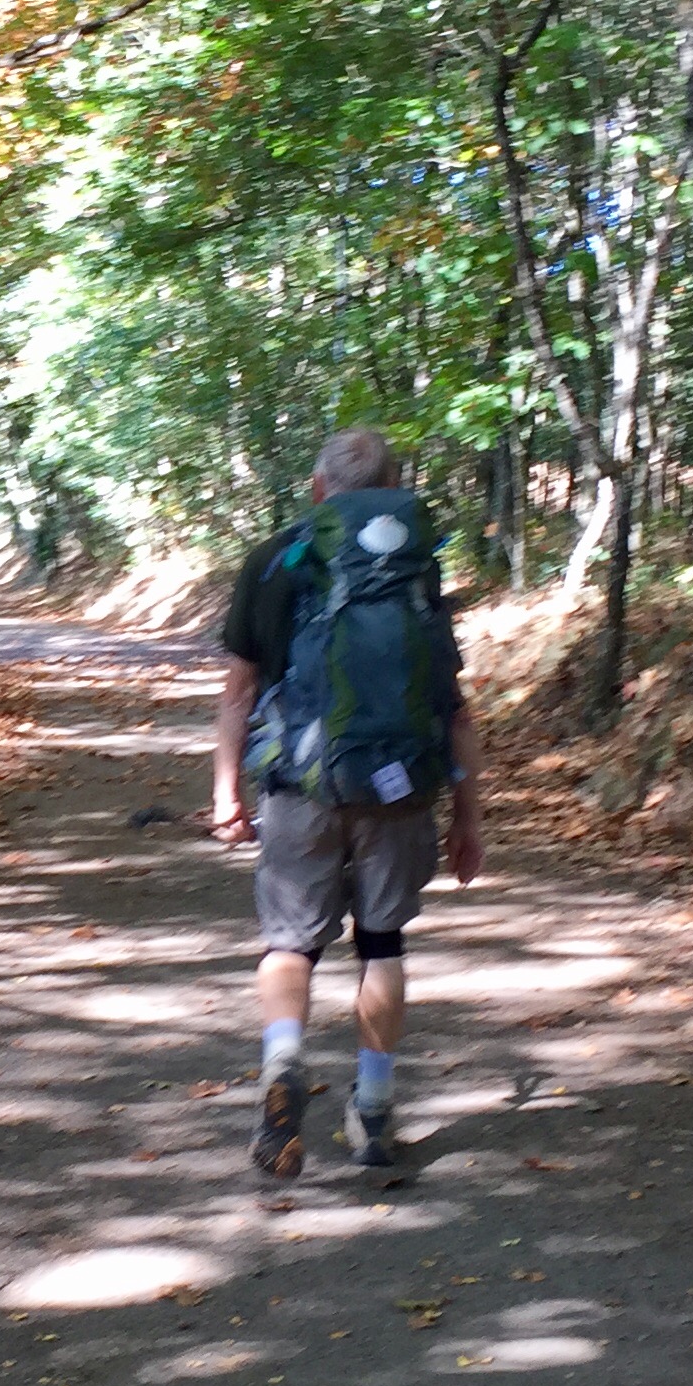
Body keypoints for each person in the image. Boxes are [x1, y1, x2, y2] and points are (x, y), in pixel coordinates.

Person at [210, 427, 484, 1174]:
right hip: (401, 782)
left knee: (289, 943)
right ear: (393, 486)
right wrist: (468, 816)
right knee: (382, 944)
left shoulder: (274, 559)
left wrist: (226, 791)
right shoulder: (416, 564)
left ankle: (283, 1062)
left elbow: (238, 692)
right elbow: (453, 707)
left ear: (317, 487)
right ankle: (372, 1111)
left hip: (301, 784)